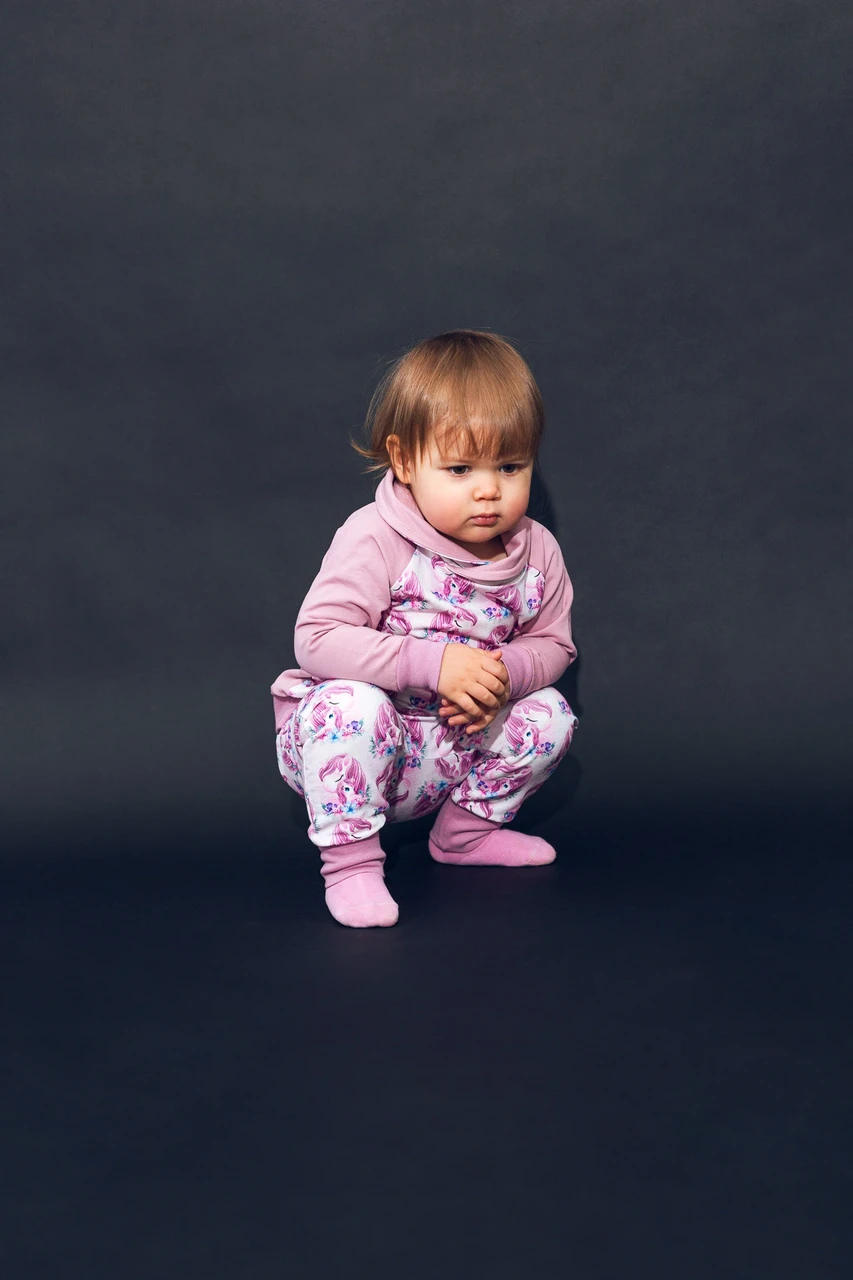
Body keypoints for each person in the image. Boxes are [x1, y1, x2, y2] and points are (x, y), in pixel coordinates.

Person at [270, 329, 579, 928]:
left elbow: (553, 643)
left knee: (552, 716)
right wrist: (434, 665)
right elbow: (319, 637)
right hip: (357, 747)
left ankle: (464, 835)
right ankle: (352, 865)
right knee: (349, 706)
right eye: (460, 468)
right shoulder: (377, 536)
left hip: (458, 742)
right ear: (405, 460)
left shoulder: (536, 549)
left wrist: (503, 676)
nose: (488, 490)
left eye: (510, 466)